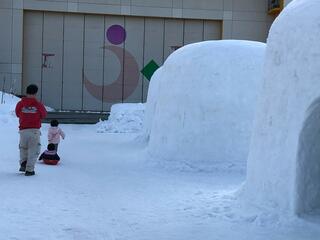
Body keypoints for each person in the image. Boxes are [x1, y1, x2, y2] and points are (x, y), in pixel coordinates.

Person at [15, 84, 47, 176]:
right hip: (34, 130)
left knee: (23, 148)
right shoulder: (38, 104)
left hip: (23, 130)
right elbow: (44, 115)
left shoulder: (20, 104)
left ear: (26, 92)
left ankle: (23, 163)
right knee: (34, 149)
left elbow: (17, 114)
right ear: (36, 93)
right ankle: (29, 170)